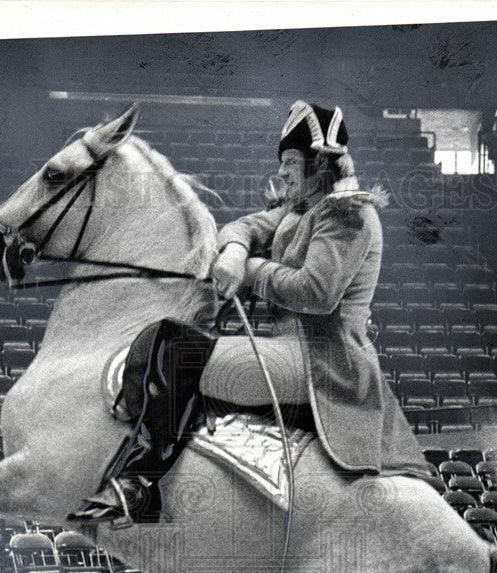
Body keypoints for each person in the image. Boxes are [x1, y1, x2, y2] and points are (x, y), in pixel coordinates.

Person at [72, 101, 430, 526]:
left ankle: (140, 485)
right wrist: (238, 250)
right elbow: (241, 226)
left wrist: (251, 269)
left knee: (176, 349)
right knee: (158, 337)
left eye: (291, 162)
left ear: (319, 165)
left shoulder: (347, 214)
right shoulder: (297, 209)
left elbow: (316, 293)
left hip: (323, 363)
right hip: (289, 352)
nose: (282, 172)